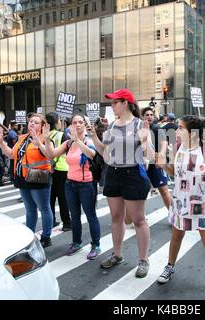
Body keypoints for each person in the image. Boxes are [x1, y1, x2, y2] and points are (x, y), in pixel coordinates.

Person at [155, 115, 205, 299]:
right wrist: (164, 166)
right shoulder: (178, 148)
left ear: (193, 133)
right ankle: (169, 267)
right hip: (180, 201)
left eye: (180, 128)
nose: (176, 131)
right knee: (176, 237)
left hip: (202, 204)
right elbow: (175, 173)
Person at [88, 89, 153, 278]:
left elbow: (149, 155)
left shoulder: (140, 124)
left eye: (115, 102)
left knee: (138, 219)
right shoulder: (111, 126)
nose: (112, 106)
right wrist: (94, 137)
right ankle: (117, 254)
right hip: (114, 174)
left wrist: (145, 140)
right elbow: (106, 155)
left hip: (133, 174)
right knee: (116, 217)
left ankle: (143, 259)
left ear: (125, 103)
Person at [45, 114, 101, 259]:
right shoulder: (68, 143)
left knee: (91, 216)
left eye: (80, 122)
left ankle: (96, 245)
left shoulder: (89, 140)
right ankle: (76, 243)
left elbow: (91, 154)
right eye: (74, 122)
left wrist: (77, 140)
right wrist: (45, 139)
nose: (77, 125)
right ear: (70, 125)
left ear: (85, 124)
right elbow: (51, 154)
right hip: (70, 184)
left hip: (87, 184)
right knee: (74, 217)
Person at [0, 114, 55, 248]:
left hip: (38, 177)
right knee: (30, 210)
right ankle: (30, 235)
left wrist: (40, 142)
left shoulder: (45, 139)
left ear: (42, 126)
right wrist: (1, 143)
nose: (32, 124)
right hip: (22, 178)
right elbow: (11, 154)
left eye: (36, 122)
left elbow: (49, 155)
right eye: (31, 121)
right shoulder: (21, 138)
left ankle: (46, 237)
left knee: (44, 208)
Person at [46, 112, 72, 231]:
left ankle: (50, 222)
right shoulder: (62, 135)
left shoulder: (43, 135)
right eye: (59, 120)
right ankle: (66, 223)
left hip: (47, 169)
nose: (61, 123)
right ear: (56, 122)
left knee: (50, 197)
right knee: (62, 197)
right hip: (62, 168)